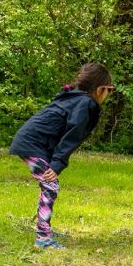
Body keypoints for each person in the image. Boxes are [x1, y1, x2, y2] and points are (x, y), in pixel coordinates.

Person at [10, 63, 114, 249]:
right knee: (51, 186)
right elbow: (72, 135)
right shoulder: (86, 103)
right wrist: (57, 164)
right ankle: (43, 237)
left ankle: (45, 228)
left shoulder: (75, 98)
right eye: (110, 90)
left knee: (49, 185)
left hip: (32, 141)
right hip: (32, 144)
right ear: (100, 89)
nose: (109, 95)